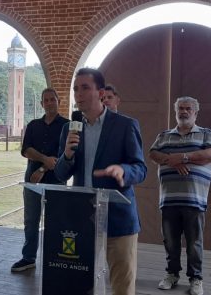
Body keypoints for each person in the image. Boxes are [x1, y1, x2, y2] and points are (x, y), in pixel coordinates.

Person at [54, 68, 147, 295]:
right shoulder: (70, 128)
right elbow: (60, 174)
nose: (78, 94)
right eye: (76, 89)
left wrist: (122, 170)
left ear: (101, 93)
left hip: (118, 219)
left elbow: (140, 168)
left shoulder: (125, 125)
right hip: (82, 221)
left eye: (85, 88)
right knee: (84, 284)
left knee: (121, 287)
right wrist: (66, 155)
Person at [148, 96, 211, 295]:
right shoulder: (164, 135)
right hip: (169, 199)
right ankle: (172, 274)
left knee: (194, 242)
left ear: (196, 113)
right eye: (180, 108)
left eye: (188, 109)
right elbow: (153, 154)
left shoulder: (206, 134)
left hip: (195, 200)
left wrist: (183, 157)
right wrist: (172, 161)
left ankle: (196, 279)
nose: (184, 112)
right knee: (170, 241)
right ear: (176, 112)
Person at [10, 88, 69, 272]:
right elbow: (26, 149)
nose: (50, 103)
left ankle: (55, 257)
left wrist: (43, 167)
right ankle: (28, 258)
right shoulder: (33, 125)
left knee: (55, 220)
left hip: (56, 179)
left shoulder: (67, 126)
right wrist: (44, 160)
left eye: (53, 99)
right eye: (46, 100)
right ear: (41, 103)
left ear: (58, 101)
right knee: (31, 219)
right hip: (32, 180)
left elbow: (64, 155)